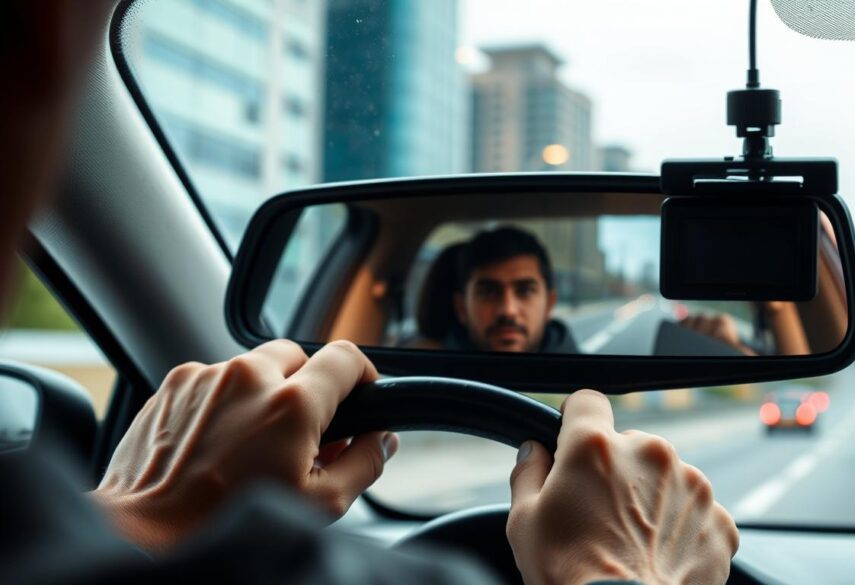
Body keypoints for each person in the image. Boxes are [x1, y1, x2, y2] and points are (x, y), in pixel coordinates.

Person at [0, 1, 739, 583]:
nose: (509, 309)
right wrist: (622, 574)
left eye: (526, 291)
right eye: (490, 290)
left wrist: (136, 519)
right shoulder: (409, 358)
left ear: (552, 301)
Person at [448, 226, 579, 353]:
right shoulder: (432, 373)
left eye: (525, 291)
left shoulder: (588, 375)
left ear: (549, 305)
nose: (508, 310)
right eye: (488, 292)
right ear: (462, 308)